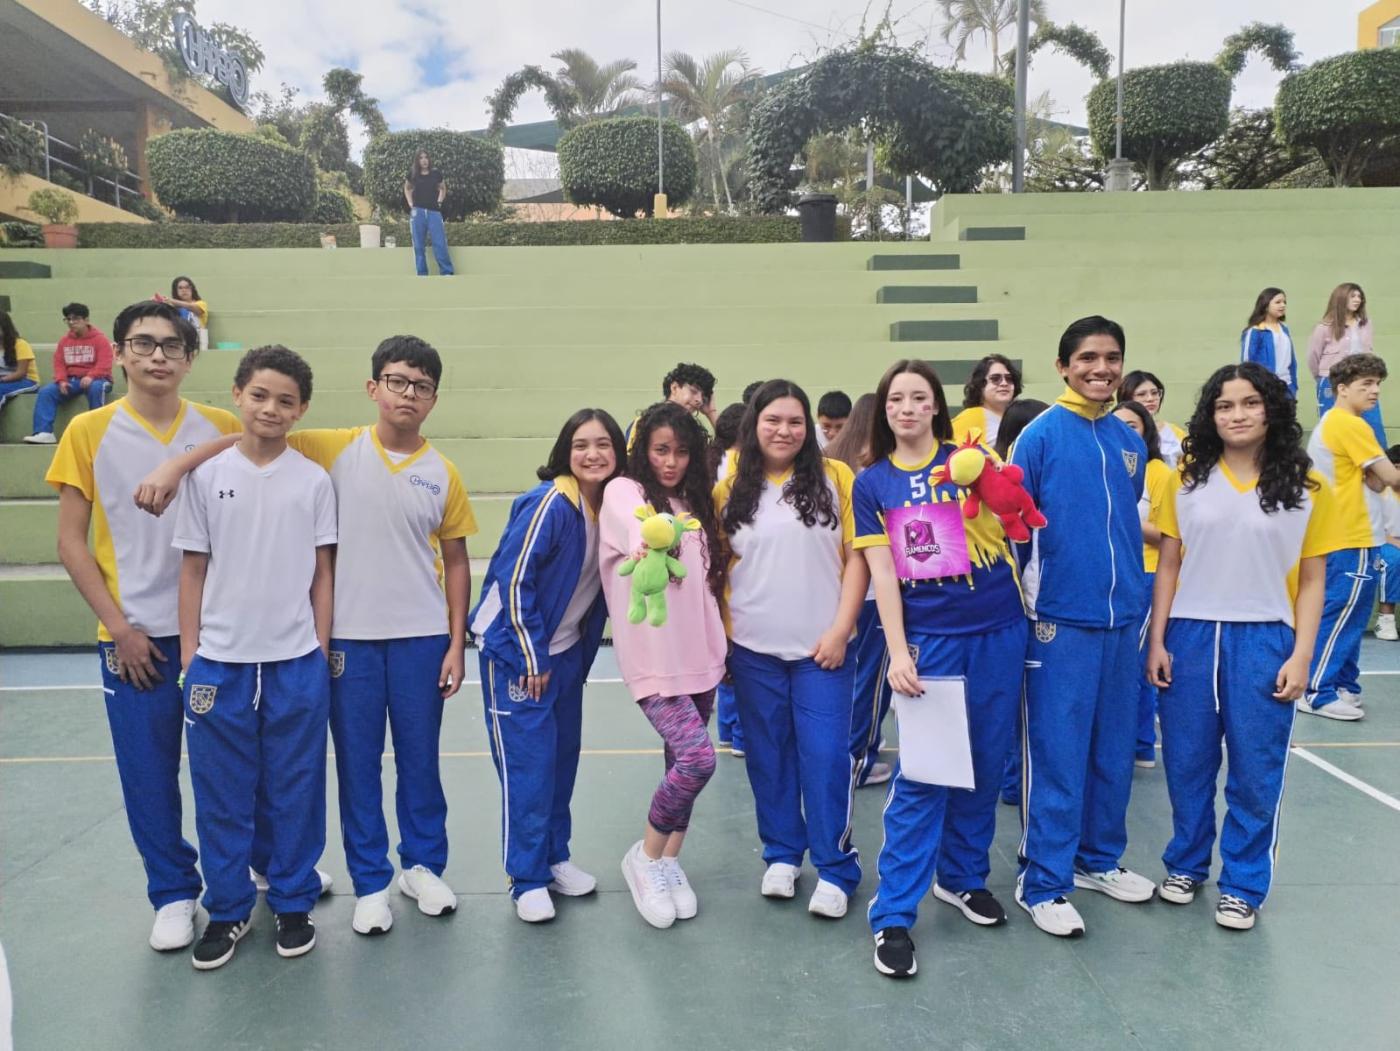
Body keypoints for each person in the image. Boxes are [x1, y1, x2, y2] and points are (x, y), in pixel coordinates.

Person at [134, 336, 478, 937]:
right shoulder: (333, 447)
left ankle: (422, 866)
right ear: (373, 388)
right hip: (348, 642)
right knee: (358, 767)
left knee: (421, 760)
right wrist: (175, 465)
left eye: (421, 386)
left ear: (434, 398)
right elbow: (249, 438)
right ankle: (370, 883)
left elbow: (455, 562)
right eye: (396, 381)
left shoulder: (442, 471)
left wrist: (455, 642)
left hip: (422, 639)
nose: (407, 394)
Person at [44, 300, 241, 956]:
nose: (158, 356)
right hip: (134, 639)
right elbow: (71, 542)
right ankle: (174, 893)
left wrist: (182, 461)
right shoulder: (88, 432)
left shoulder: (219, 426)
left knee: (235, 767)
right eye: (143, 343)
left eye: (171, 346)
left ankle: (257, 866)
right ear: (121, 353)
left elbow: (264, 445)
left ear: (189, 358)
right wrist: (118, 627)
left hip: (216, 635)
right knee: (149, 774)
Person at [1147, 362, 1340, 931]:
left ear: (1271, 409)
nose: (1237, 415)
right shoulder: (1185, 479)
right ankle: (1186, 864)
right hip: (1189, 635)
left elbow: (1313, 579)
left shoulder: (1307, 486)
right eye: (1224, 405)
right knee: (1186, 763)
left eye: (1250, 403)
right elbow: (1168, 566)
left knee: (1256, 771)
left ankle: (1243, 883)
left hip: (1264, 637)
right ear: (1210, 415)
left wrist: (1302, 654)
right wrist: (1157, 640)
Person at [858, 361, 1028, 979]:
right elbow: (883, 575)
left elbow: (1015, 517)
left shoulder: (971, 459)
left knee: (984, 763)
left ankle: (961, 877)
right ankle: (893, 914)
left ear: (936, 406)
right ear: (885, 410)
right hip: (932, 641)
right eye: (896, 399)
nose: (907, 407)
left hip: (1000, 629)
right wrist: (899, 652)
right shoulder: (873, 483)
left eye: (918, 397)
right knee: (926, 776)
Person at [173, 345, 337, 971]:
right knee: (221, 793)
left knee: (297, 787)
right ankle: (228, 907)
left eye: (286, 400)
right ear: (238, 395)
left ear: (302, 410)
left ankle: (293, 901)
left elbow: (323, 573)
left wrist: (320, 649)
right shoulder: (206, 477)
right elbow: (193, 570)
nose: (271, 408)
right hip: (220, 663)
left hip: (296, 661)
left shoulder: (313, 481)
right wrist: (191, 655)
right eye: (260, 395)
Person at [1011, 315, 1152, 938]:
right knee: (1058, 755)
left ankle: (1097, 859)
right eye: (1088, 358)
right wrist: (1027, 613)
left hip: (1122, 622)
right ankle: (1042, 880)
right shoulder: (1039, 436)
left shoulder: (1128, 441)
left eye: (1112, 357)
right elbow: (1014, 534)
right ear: (1063, 366)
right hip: (1058, 623)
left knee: (1113, 750)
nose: (1102, 368)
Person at [714, 379, 866, 920]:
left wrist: (841, 629)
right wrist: (723, 644)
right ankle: (781, 853)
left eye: (795, 421)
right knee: (768, 756)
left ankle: (835, 866)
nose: (784, 430)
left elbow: (858, 557)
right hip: (752, 651)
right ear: (754, 425)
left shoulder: (837, 477)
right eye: (773, 420)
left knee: (825, 757)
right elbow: (717, 571)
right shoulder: (729, 490)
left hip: (823, 652)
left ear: (809, 428)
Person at [469, 409, 625, 923]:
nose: (593, 454)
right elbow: (514, 581)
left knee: (560, 761)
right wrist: (531, 656)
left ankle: (554, 858)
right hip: (518, 655)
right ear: (565, 452)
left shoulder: (610, 508)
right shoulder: (550, 503)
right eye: (581, 445)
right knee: (529, 770)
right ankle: (526, 878)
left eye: (603, 444)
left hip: (565, 655)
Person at [600, 401, 728, 929]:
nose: (670, 462)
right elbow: (645, 537)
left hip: (702, 656)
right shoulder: (624, 492)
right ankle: (646, 857)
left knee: (678, 762)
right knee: (698, 760)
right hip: (654, 660)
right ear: (643, 452)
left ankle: (670, 859)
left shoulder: (695, 502)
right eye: (660, 450)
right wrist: (656, 538)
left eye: (680, 452)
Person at [1302, 353, 1400, 720]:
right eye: (1366, 384)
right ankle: (1315, 690)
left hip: (1354, 535)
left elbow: (1374, 479)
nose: (1375, 391)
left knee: (1354, 616)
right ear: (1341, 389)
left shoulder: (1340, 424)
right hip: (1348, 534)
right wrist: (1383, 474)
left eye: (1378, 384)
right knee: (1340, 614)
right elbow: (1390, 478)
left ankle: (1344, 684)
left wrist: (1379, 474)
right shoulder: (1349, 424)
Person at [825, 394, 894, 788]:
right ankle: (856, 760)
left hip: (839, 591)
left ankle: (846, 750)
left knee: (848, 680)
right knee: (871, 679)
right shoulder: (876, 471)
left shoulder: (831, 462)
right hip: (873, 592)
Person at [991, 397, 1050, 807]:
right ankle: (1014, 778)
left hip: (1010, 605)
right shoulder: (1007, 483)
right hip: (1019, 605)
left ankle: (1012, 778)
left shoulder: (1000, 479)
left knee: (1013, 702)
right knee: (1023, 701)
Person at [1112, 399, 1173, 768]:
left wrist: (1119, 517)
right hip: (1112, 575)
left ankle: (1141, 744)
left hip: (1147, 575)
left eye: (1132, 425)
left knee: (1137, 664)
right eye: (1116, 424)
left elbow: (1169, 535)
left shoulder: (1158, 473)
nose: (1123, 432)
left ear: (1146, 431)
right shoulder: (1103, 466)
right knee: (1118, 665)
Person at [709, 401, 748, 756]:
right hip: (735, 573)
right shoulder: (740, 467)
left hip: (719, 573)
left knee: (726, 656)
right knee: (739, 664)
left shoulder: (713, 459)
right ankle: (739, 734)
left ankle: (726, 728)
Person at [24, 303, 113, 445]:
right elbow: (59, 363)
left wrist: (91, 376)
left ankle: (98, 431)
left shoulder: (100, 339)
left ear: (86, 320)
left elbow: (105, 363)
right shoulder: (64, 341)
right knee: (47, 392)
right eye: (68, 319)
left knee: (96, 388)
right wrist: (61, 380)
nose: (71, 322)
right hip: (72, 380)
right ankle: (44, 432)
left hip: (99, 379)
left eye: (76, 319)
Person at [1308, 283, 1381, 445]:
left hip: (1362, 380)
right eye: (1352, 296)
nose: (1357, 300)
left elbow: (1369, 351)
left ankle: (1377, 456)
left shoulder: (1366, 324)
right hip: (1332, 381)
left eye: (1359, 297)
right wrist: (1322, 378)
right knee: (1334, 423)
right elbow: (1313, 357)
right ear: (1341, 298)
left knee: (1372, 422)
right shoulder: (1324, 327)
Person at [626, 362, 719, 447]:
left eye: (703, 397)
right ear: (674, 388)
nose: (699, 400)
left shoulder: (695, 432)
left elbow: (727, 447)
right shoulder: (643, 423)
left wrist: (711, 413)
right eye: (693, 391)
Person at [952, 354, 1022, 449]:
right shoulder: (970, 417)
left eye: (1009, 378)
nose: (1004, 383)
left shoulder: (1020, 417)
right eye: (995, 379)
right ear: (981, 385)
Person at [1118, 370, 1186, 468]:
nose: (1150, 399)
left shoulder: (1174, 432)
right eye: (1141, 394)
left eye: (1154, 393)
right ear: (1126, 397)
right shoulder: (1117, 430)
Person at [403, 149, 454, 277]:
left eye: (426, 157)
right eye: (421, 158)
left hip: (434, 212)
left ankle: (446, 271)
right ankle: (422, 274)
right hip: (417, 213)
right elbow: (407, 188)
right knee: (418, 245)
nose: (424, 160)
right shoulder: (413, 174)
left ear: (429, 159)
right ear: (417, 160)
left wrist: (440, 201)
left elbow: (443, 188)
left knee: (440, 243)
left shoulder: (436, 174)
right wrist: (410, 203)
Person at [1240, 288, 1296, 398]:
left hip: (1287, 386)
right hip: (1265, 388)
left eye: (1284, 302)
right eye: (1278, 302)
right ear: (1265, 305)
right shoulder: (1255, 331)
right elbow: (1247, 363)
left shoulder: (1284, 329)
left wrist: (1294, 385)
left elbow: (1291, 360)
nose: (1283, 305)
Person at [1373, 447, 1400, 642]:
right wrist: (1395, 543)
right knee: (1394, 560)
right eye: (1395, 467)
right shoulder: (1379, 492)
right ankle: (1385, 618)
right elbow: (1373, 529)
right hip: (1381, 543)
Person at [0, 311, 39, 416]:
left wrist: (2, 380)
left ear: (4, 327)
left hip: (27, 381)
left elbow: (21, 373)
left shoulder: (20, 344)